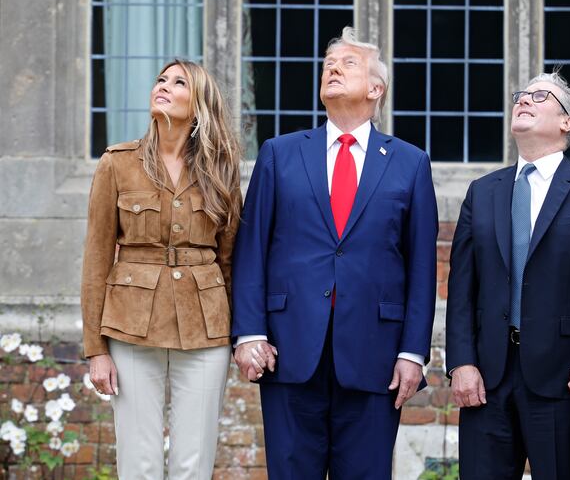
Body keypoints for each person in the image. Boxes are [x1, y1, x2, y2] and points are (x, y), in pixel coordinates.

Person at [231, 26, 438, 479]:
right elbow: (251, 250)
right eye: (328, 64)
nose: (332, 68)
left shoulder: (410, 162)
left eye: (348, 63)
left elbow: (422, 267)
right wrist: (248, 332)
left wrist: (413, 352)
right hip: (288, 348)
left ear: (375, 88)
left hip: (375, 354)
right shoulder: (278, 154)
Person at [445, 71, 570, 479]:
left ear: (568, 122)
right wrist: (461, 362)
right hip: (486, 378)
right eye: (520, 95)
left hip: (561, 378)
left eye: (540, 95)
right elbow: (461, 288)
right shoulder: (482, 191)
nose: (523, 100)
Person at [80, 60, 242, 479]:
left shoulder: (221, 169)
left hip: (206, 327)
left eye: (178, 82)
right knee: (139, 460)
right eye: (160, 80)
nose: (163, 87)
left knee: (194, 460)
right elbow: (97, 261)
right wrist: (96, 350)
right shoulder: (117, 163)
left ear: (200, 103)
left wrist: (241, 334)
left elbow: (230, 261)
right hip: (131, 323)